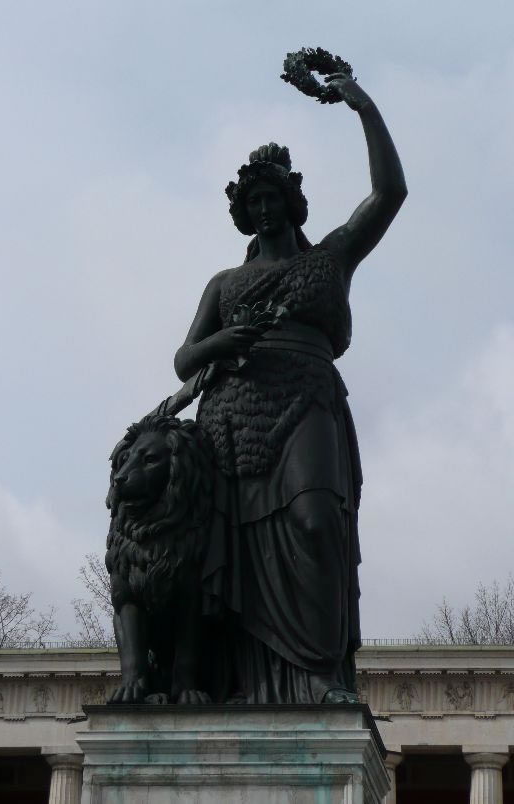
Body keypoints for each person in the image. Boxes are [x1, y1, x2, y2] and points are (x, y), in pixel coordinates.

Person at [174, 75, 407, 704]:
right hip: (233, 416)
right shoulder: (224, 284)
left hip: (307, 397)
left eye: (272, 197)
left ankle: (320, 674)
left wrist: (362, 103)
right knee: (236, 552)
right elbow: (184, 358)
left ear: (291, 201)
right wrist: (225, 342)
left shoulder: (330, 258)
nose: (263, 209)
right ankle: (245, 682)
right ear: (242, 211)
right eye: (253, 201)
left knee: (315, 521)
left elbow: (390, 193)